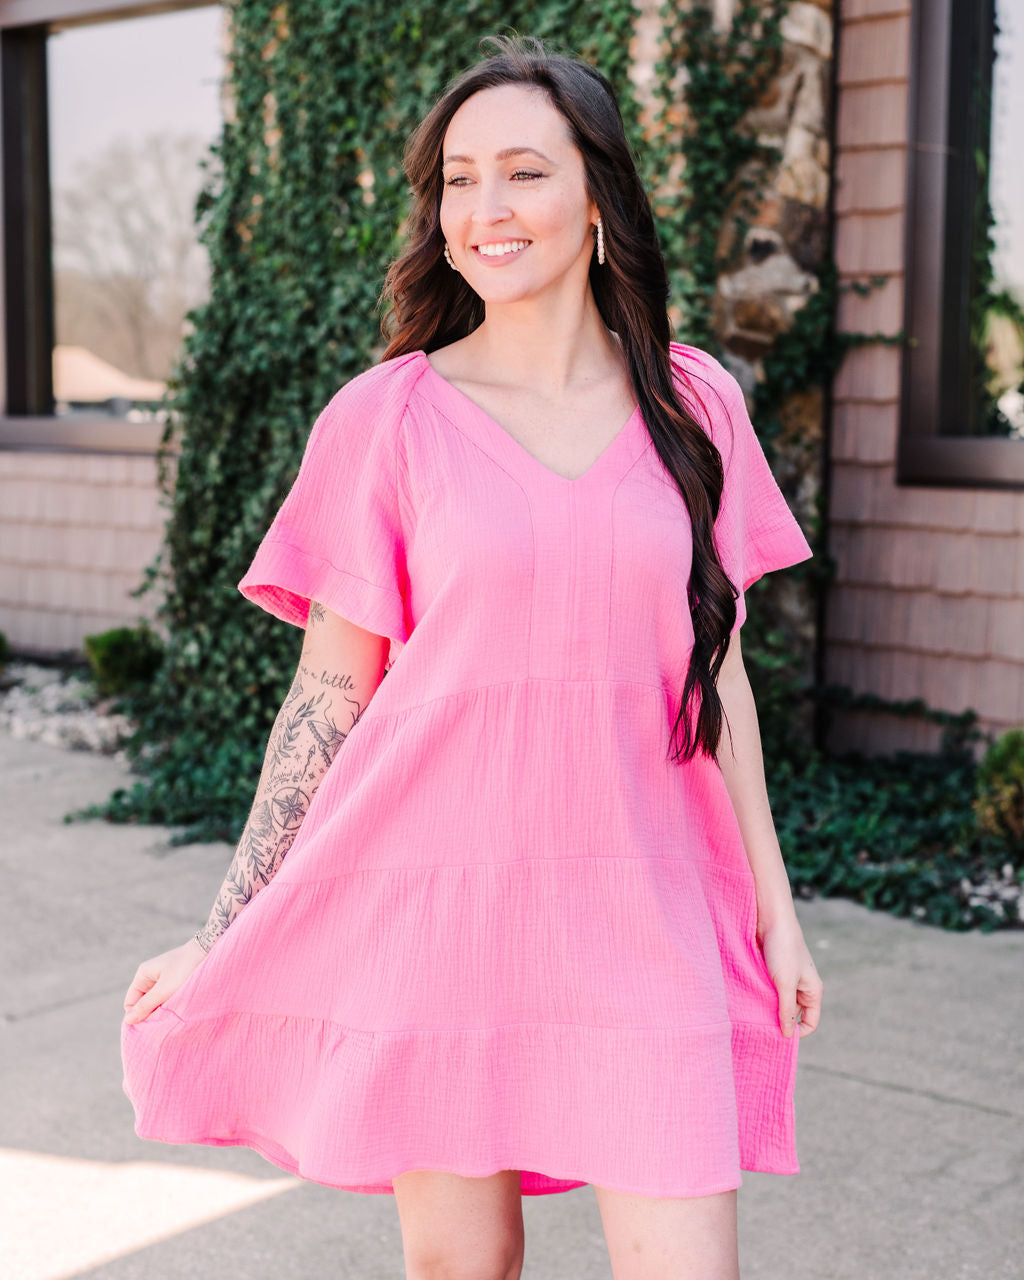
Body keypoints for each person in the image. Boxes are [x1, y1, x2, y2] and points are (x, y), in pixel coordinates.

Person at [122, 32, 824, 1280]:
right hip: (436, 907)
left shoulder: (693, 405)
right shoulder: (385, 418)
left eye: (522, 172)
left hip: (644, 909)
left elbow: (716, 675)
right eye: (457, 178)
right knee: (464, 1267)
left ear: (599, 195)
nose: (483, 209)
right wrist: (224, 925)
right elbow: (329, 695)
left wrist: (775, 911)